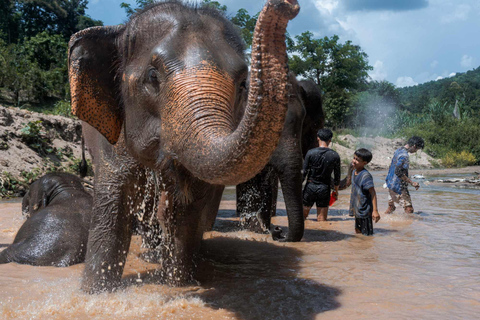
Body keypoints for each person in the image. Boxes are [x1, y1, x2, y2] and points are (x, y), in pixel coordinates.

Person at [302, 128, 341, 221]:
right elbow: (337, 177)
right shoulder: (334, 155)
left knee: (302, 218)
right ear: (330, 140)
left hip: (310, 187)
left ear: (318, 138)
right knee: (321, 219)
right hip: (324, 188)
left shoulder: (310, 153)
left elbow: (304, 173)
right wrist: (335, 191)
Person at [385, 136, 425, 214]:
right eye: (417, 149)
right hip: (398, 186)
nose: (416, 151)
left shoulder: (398, 150)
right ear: (414, 146)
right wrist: (412, 182)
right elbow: (398, 172)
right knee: (409, 210)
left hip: (390, 183)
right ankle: (407, 224)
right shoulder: (404, 156)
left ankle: (382, 221)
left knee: (391, 207)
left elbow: (392, 166)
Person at [349, 148, 380, 236]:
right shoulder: (354, 171)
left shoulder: (365, 176)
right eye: (354, 158)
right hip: (357, 210)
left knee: (367, 236)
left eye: (357, 160)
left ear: (364, 163)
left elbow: (373, 193)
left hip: (365, 212)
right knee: (358, 233)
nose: (354, 161)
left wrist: (375, 211)